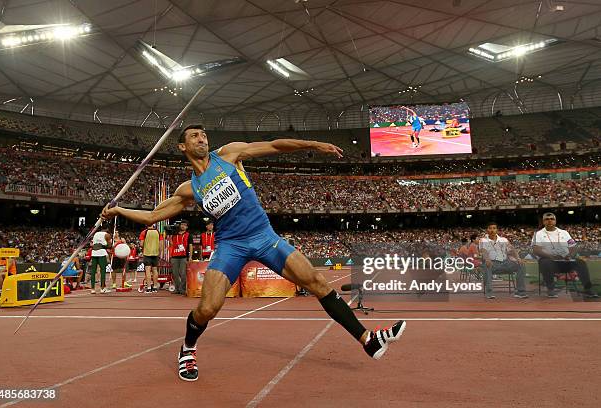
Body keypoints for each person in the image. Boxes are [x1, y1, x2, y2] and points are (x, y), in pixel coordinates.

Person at [102, 125, 406, 382]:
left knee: (316, 281)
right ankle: (187, 349)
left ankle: (367, 340)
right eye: (194, 136)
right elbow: (153, 217)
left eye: (203, 135)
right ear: (183, 146)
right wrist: (117, 209)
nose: (202, 139)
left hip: (263, 236)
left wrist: (312, 144)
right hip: (230, 246)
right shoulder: (189, 189)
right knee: (207, 309)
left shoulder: (230, 154)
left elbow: (274, 145)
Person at [532, 212, 599, 299]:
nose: (549, 221)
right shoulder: (538, 234)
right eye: (547, 219)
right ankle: (551, 289)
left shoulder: (564, 233)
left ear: (555, 221)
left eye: (552, 219)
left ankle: (588, 288)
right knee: (545, 262)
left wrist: (570, 255)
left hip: (565, 261)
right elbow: (536, 250)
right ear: (543, 222)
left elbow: (574, 246)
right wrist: (551, 256)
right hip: (550, 262)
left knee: (581, 263)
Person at [478, 222, 528, 299]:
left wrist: (518, 258)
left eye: (494, 228)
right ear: (487, 230)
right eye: (490, 228)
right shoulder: (483, 240)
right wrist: (487, 259)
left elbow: (511, 249)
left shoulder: (503, 239)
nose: (492, 230)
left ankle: (520, 292)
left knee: (521, 265)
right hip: (492, 263)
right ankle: (489, 292)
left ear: (497, 230)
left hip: (505, 263)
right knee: (486, 266)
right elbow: (483, 251)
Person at [139, 224, 164, 293]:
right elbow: (161, 244)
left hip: (147, 253)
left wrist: (142, 248)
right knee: (155, 270)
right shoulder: (158, 232)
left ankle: (149, 288)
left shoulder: (144, 232)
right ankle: (155, 287)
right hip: (155, 254)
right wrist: (160, 252)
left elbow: (141, 244)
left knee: (147, 270)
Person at [169, 220, 190, 295]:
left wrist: (189, 257)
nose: (183, 226)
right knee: (175, 274)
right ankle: (177, 288)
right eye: (182, 225)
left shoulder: (188, 234)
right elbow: (171, 243)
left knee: (183, 273)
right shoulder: (174, 234)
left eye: (185, 225)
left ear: (187, 227)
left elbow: (190, 246)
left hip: (183, 256)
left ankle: (182, 289)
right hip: (174, 256)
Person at [90, 224, 112, 294]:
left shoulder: (96, 233)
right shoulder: (107, 235)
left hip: (94, 253)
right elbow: (109, 245)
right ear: (107, 229)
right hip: (101, 253)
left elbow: (93, 244)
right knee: (103, 271)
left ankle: (92, 289)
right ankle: (102, 288)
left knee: (93, 271)